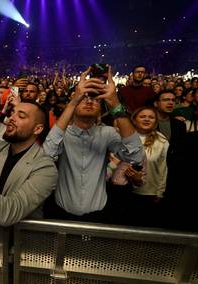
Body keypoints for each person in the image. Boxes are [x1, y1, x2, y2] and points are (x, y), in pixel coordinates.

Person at [43, 67, 145, 222]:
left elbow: (136, 156)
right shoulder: (63, 133)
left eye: (96, 99)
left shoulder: (107, 133)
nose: (89, 101)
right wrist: (73, 101)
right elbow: (47, 154)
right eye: (84, 98)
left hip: (98, 213)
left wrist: (115, 104)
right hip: (62, 213)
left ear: (100, 110)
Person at [129, 106, 169, 227]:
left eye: (151, 117)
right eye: (142, 116)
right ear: (134, 120)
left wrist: (160, 192)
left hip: (149, 193)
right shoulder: (124, 137)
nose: (147, 119)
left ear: (155, 121)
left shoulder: (162, 141)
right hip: (125, 193)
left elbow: (163, 169)